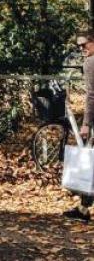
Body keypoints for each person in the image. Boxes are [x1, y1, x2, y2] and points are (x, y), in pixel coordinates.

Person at [64, 30, 94, 221]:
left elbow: (91, 96)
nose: (82, 49)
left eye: (85, 45)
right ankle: (83, 208)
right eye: (79, 46)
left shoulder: (90, 63)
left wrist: (86, 124)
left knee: (90, 164)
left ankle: (83, 209)